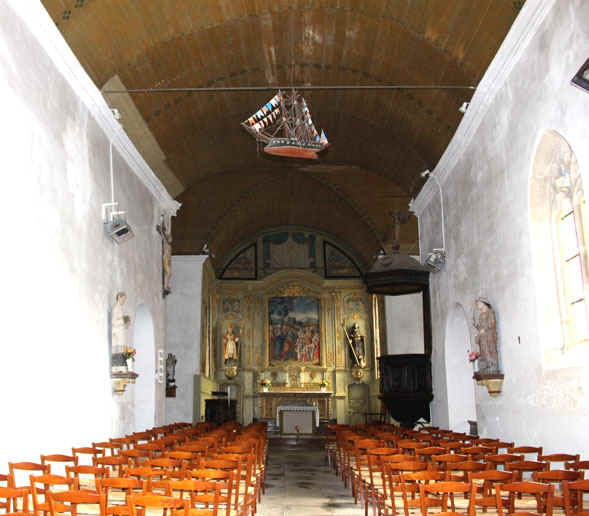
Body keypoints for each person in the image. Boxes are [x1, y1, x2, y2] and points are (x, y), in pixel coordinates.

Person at [473, 298, 499, 373]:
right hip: (483, 337)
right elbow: (481, 327)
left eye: (478, 304)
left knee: (490, 349)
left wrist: (484, 329)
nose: (477, 306)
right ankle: (486, 367)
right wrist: (476, 326)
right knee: (483, 351)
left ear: (484, 303)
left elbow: (492, 322)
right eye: (477, 304)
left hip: (489, 335)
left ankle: (493, 366)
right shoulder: (481, 315)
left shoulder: (490, 312)